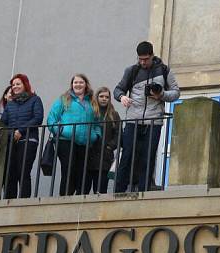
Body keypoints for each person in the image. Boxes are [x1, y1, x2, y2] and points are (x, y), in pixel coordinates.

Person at [113, 41, 180, 192]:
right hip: (133, 120)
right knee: (127, 156)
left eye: (145, 59)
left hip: (153, 120)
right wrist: (122, 97)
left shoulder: (164, 70)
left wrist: (161, 94)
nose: (142, 62)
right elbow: (117, 89)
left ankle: (144, 190)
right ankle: (118, 191)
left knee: (148, 157)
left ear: (152, 55)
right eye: (140, 59)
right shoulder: (131, 71)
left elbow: (176, 93)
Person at [46, 74, 101, 196]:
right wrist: (60, 131)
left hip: (85, 142)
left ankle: (78, 198)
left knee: (81, 172)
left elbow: (98, 122)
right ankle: (65, 197)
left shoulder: (92, 102)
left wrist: (95, 135)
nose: (78, 84)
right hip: (65, 140)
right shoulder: (64, 99)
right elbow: (51, 119)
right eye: (75, 82)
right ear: (72, 85)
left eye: (81, 82)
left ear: (86, 84)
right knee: (68, 170)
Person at [1, 73, 43, 199]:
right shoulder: (10, 103)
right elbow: (3, 123)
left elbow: (38, 118)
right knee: (10, 173)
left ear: (25, 85)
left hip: (28, 140)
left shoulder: (35, 99)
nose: (15, 87)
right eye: (13, 85)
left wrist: (20, 130)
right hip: (12, 141)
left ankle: (24, 200)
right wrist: (11, 133)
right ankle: (9, 200)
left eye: (18, 84)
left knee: (23, 171)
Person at [85, 87, 120, 194]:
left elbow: (118, 135)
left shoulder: (114, 114)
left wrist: (110, 147)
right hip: (88, 154)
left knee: (100, 190)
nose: (104, 99)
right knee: (83, 190)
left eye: (107, 97)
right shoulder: (90, 112)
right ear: (96, 97)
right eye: (101, 96)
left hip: (105, 157)